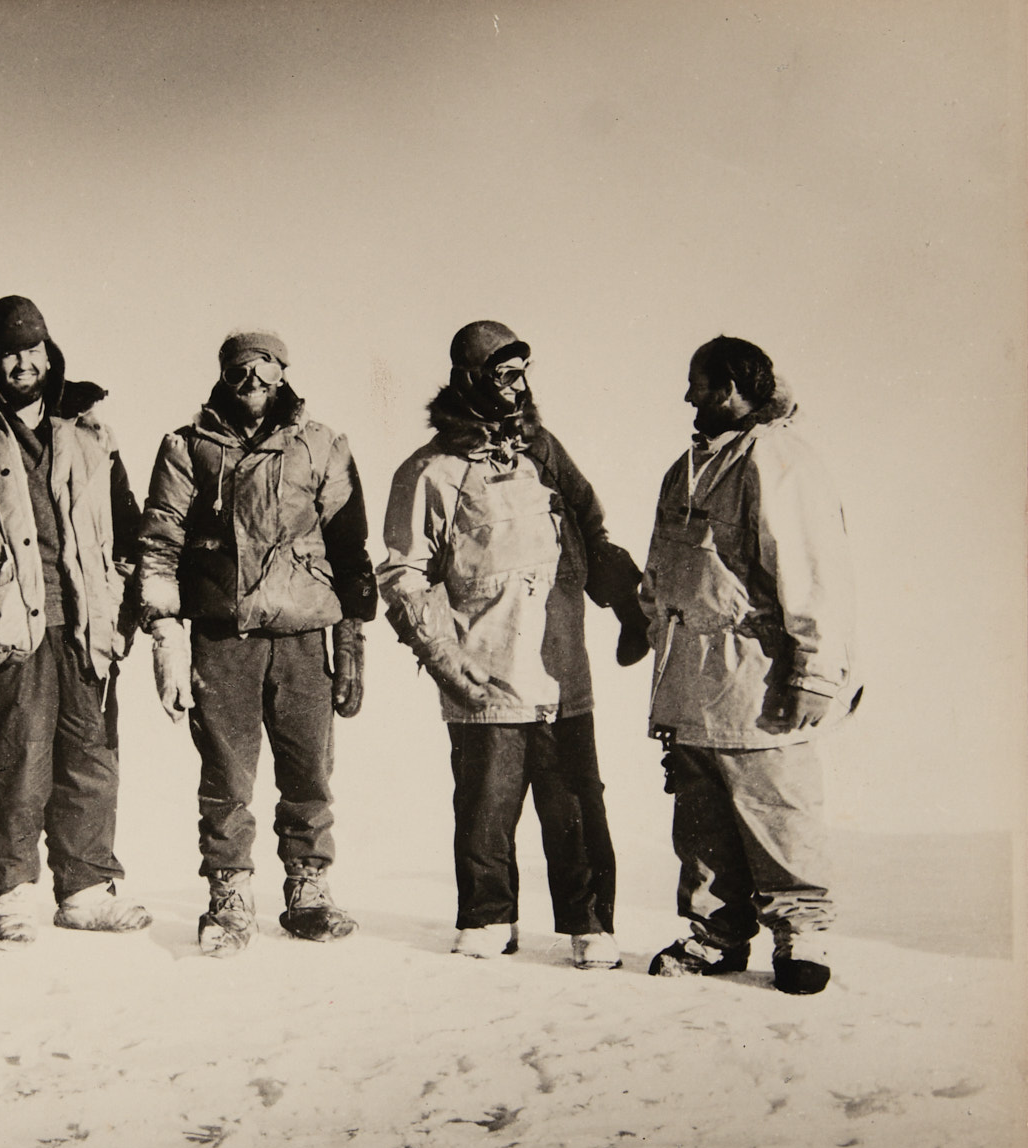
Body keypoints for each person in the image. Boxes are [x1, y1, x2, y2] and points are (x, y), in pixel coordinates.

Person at [378, 321, 648, 968]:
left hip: (560, 667)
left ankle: (589, 924)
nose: (518, 386)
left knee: (576, 805)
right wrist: (444, 661)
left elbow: (591, 524)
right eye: (503, 374)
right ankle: (487, 916)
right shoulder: (430, 471)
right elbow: (402, 573)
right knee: (485, 805)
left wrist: (631, 608)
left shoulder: (543, 451)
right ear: (471, 378)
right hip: (484, 666)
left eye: (523, 372)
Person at [0, 296, 151, 946]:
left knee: (91, 759)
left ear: (51, 353)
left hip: (86, 629)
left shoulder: (90, 436)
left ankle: (86, 888)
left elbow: (129, 529)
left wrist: (121, 610)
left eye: (33, 347)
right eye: (10, 350)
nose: (23, 361)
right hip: (14, 632)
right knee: (16, 762)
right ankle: (10, 893)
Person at [137, 331, 377, 957]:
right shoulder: (187, 447)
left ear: (284, 374)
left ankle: (309, 887)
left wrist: (350, 641)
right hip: (222, 636)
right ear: (224, 375)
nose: (252, 380)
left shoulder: (321, 444)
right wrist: (166, 640)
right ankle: (229, 894)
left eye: (264, 368)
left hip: (303, 638)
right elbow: (159, 547)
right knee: (226, 773)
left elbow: (350, 548)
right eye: (240, 369)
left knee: (309, 768)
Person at [641, 336, 860, 996]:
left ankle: (803, 933)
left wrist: (815, 671)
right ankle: (717, 933)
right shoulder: (691, 465)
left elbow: (812, 568)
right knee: (702, 822)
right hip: (691, 678)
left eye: (698, 383)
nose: (688, 396)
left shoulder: (776, 458)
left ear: (732, 388)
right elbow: (669, 564)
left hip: (757, 678)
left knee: (777, 807)